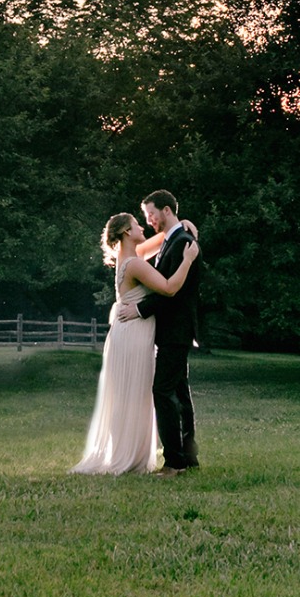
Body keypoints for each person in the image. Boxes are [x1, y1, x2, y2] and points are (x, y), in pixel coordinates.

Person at [72, 211, 199, 475]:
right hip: (133, 334)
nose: (143, 226)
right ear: (128, 232)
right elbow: (169, 288)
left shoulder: (130, 257)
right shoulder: (135, 264)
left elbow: (165, 236)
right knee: (135, 394)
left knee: (130, 395)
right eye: (137, 224)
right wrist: (187, 260)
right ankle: (130, 456)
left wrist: (183, 224)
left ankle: (131, 452)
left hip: (128, 333)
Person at [116, 189, 200, 477]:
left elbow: (171, 293)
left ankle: (175, 462)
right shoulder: (171, 240)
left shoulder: (183, 243)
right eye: (144, 217)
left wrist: (140, 309)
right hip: (169, 330)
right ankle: (187, 458)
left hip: (176, 330)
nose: (148, 220)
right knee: (178, 392)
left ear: (166, 210)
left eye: (151, 214)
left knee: (162, 391)